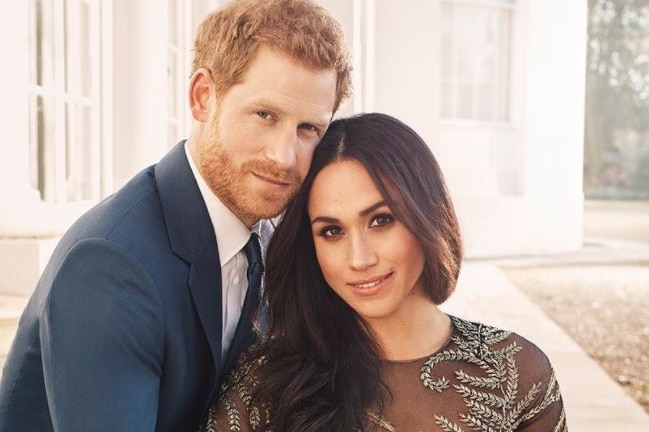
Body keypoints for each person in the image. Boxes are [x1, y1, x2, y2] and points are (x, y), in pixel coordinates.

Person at [0, 1, 351, 430]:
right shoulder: (109, 266)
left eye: (308, 129)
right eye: (264, 115)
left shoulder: (272, 233)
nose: (284, 157)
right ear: (203, 96)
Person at [200, 113, 568, 432]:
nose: (359, 258)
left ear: (426, 216)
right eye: (332, 231)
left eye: (381, 220)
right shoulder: (265, 386)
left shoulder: (517, 376)